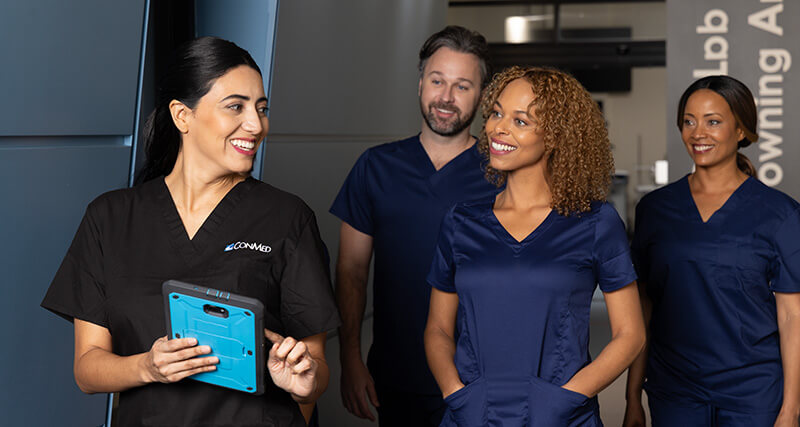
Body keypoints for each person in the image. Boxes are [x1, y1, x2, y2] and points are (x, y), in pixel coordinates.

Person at [40, 37, 340, 427]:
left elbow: (316, 369)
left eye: (261, 108)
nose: (256, 125)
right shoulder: (110, 218)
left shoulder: (288, 217)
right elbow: (87, 369)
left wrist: (305, 384)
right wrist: (147, 367)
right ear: (183, 116)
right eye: (236, 106)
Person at [424, 66, 646, 426]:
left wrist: (562, 401)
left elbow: (630, 334)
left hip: (561, 417)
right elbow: (438, 328)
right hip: (473, 416)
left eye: (520, 121)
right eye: (496, 113)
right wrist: (456, 394)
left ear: (556, 136)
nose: (498, 128)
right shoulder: (460, 221)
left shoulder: (595, 222)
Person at [330, 26, 499, 426]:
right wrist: (350, 359)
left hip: (483, 377)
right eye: (437, 81)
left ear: (481, 96)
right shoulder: (376, 167)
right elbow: (351, 272)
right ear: (420, 83)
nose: (446, 97)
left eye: (462, 86)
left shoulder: (501, 174)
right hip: (396, 375)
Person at [624, 75, 800, 427]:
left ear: (741, 130)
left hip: (754, 392)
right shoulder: (655, 209)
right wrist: (632, 397)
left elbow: (792, 316)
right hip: (675, 390)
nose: (698, 133)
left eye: (713, 122)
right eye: (689, 121)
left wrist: (791, 409)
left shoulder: (780, 213)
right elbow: (643, 306)